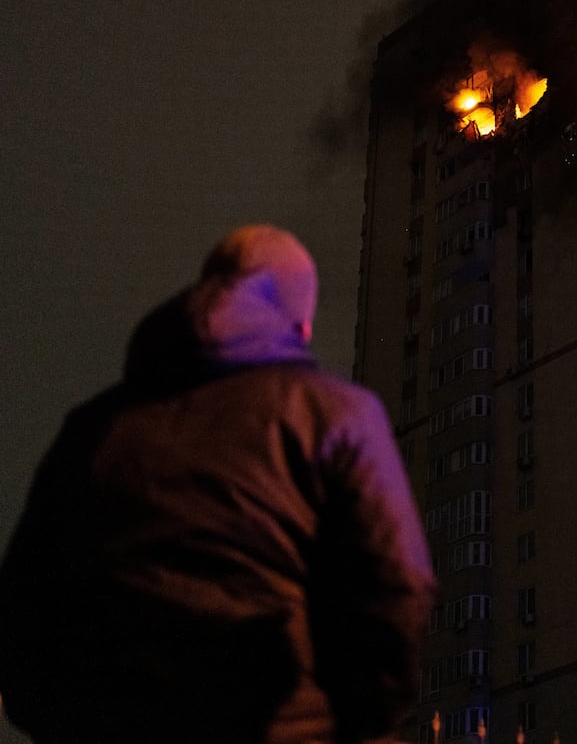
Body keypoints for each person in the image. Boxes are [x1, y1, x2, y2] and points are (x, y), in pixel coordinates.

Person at [0, 225, 434, 744]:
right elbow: (397, 588)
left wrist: (67, 722)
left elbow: (21, 611)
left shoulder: (91, 430)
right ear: (301, 326)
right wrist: (363, 726)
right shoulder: (335, 413)